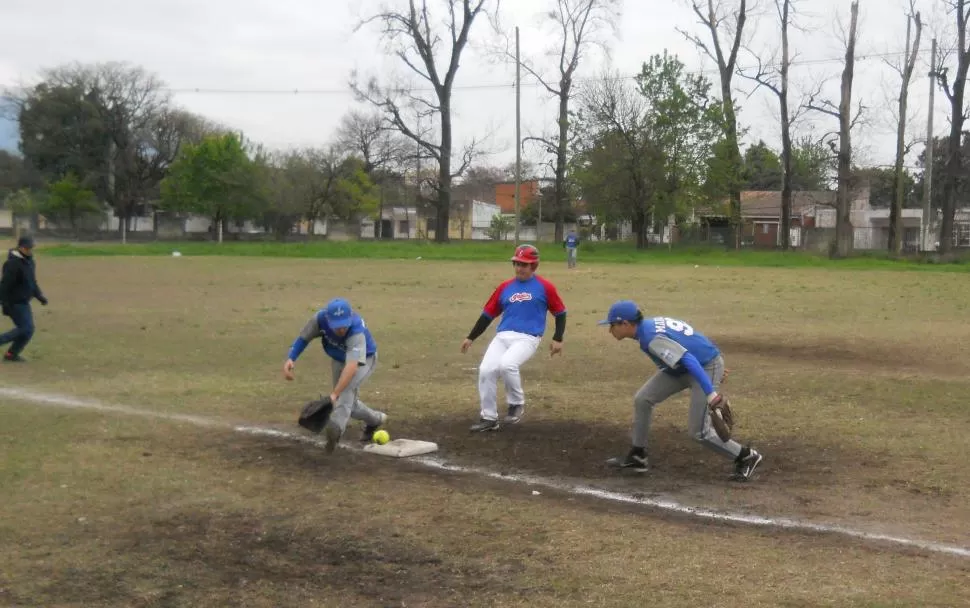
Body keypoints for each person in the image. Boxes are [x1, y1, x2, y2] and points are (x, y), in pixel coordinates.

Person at [597, 300, 763, 481]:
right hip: (684, 369)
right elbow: (691, 339)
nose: (610, 330)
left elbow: (689, 359)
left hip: (703, 368)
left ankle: (746, 456)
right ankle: (638, 455)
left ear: (626, 324)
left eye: (612, 325)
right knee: (642, 399)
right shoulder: (648, 327)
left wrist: (711, 391)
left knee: (698, 432)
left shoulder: (651, 338)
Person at [461, 244, 567, 432]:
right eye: (516, 264)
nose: (519, 268)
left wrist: (558, 338)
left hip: (528, 338)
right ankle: (489, 417)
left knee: (507, 364)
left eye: (524, 264)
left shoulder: (545, 287)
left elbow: (560, 312)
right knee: (486, 370)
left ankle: (516, 403)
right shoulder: (505, 287)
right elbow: (487, 315)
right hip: (503, 336)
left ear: (534, 266)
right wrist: (471, 337)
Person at [283, 297, 388, 453]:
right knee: (347, 402)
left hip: (364, 360)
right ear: (328, 319)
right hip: (339, 359)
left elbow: (352, 367)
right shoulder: (319, 320)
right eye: (337, 326)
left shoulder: (356, 331)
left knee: (343, 393)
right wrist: (291, 358)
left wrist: (334, 394)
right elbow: (303, 338)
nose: (341, 330)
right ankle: (376, 419)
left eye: (344, 325)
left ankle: (335, 431)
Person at [0, 235, 48, 362]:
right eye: (27, 248)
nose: (30, 250)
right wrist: (4, 303)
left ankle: (11, 354)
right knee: (26, 328)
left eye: (31, 248)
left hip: (24, 302)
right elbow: (4, 286)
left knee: (28, 331)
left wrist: (39, 296)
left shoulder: (30, 262)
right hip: (14, 303)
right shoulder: (12, 264)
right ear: (20, 247)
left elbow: (32, 282)